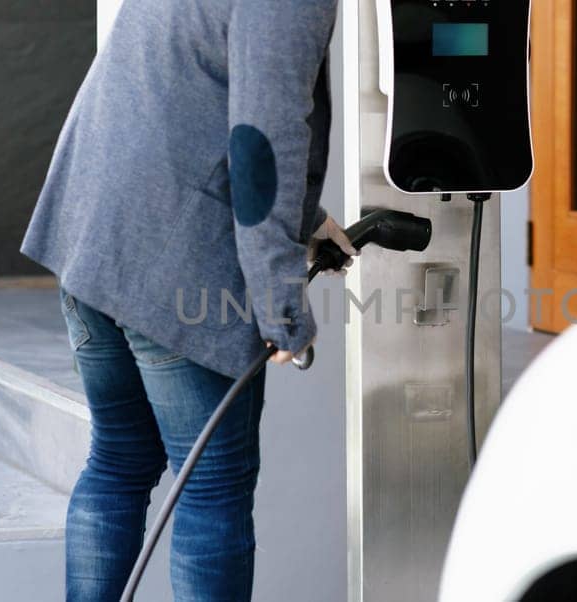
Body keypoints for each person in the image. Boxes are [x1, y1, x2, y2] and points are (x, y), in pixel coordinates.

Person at [19, 0, 354, 599]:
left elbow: (188, 94)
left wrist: (308, 220)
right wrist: (280, 302)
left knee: (118, 463)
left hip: (92, 239)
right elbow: (262, 137)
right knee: (211, 489)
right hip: (175, 265)